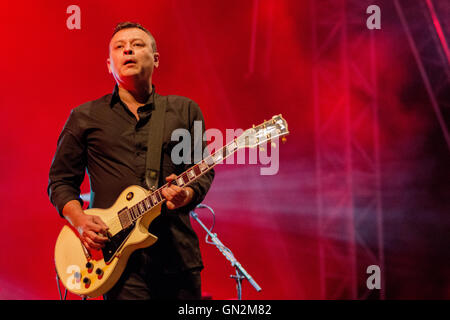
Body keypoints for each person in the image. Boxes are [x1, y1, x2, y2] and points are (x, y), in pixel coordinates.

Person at [47, 21, 215, 300]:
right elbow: (61, 181)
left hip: (178, 259)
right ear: (108, 64)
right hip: (117, 262)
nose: (128, 50)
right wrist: (80, 221)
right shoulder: (85, 116)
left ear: (156, 58)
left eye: (137, 45)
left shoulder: (185, 110)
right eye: (119, 47)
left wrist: (186, 193)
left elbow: (201, 170)